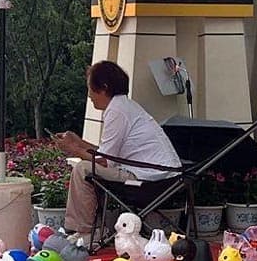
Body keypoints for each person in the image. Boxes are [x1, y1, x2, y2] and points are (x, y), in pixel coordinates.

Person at [52, 60, 181, 236]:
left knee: (83, 169)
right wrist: (79, 142)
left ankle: (84, 231)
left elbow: (105, 162)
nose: (89, 95)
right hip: (162, 177)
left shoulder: (117, 111)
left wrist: (73, 149)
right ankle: (84, 229)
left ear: (103, 87)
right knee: (86, 167)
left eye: (90, 88)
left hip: (149, 181)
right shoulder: (123, 106)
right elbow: (109, 155)